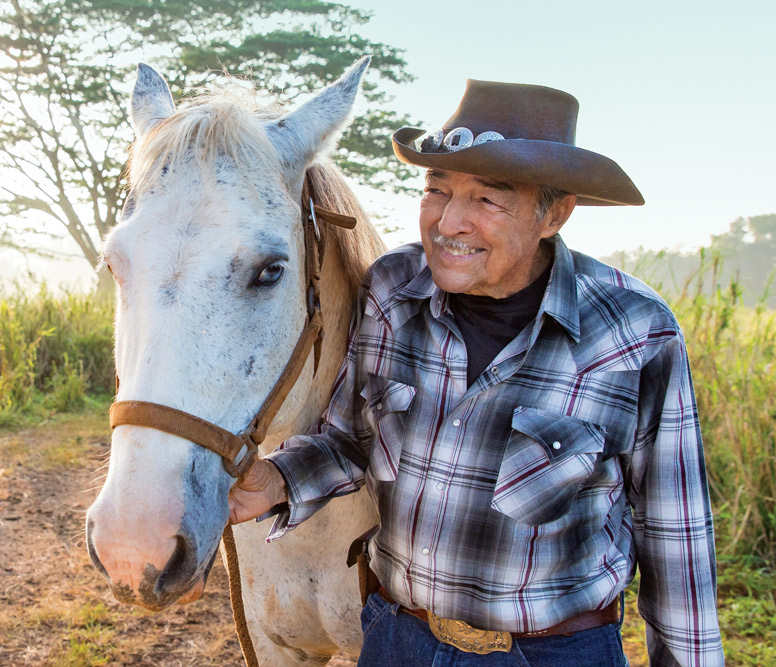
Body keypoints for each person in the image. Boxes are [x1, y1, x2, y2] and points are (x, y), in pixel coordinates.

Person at [228, 80, 725, 666]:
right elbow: (350, 438)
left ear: (555, 213)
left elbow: (675, 534)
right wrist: (278, 480)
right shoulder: (392, 290)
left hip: (553, 653)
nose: (449, 223)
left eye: (488, 200)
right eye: (436, 190)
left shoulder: (633, 331)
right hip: (399, 640)